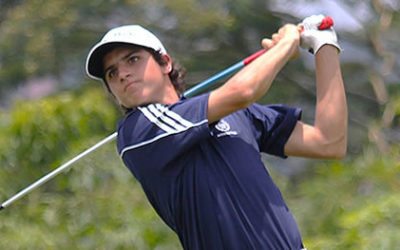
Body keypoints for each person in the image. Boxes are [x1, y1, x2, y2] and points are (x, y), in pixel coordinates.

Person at [85, 14, 347, 250]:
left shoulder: (234, 112)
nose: (122, 74)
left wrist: (324, 45)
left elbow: (328, 142)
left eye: (133, 59)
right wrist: (285, 45)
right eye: (112, 73)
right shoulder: (138, 132)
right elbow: (243, 92)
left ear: (164, 62)